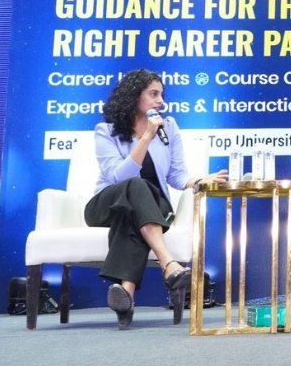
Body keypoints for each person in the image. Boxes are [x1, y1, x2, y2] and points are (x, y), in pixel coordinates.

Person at [87, 69, 228, 329]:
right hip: (107, 205)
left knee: (134, 215)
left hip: (149, 208)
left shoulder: (169, 127)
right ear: (134, 96)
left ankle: (126, 294)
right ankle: (168, 263)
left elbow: (176, 175)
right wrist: (147, 137)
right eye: (153, 94)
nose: (160, 101)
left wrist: (198, 180)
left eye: (161, 94)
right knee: (136, 185)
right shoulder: (106, 131)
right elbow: (118, 177)